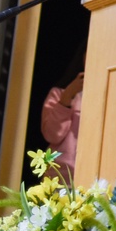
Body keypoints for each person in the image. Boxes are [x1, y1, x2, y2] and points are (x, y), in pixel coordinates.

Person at [40, 46, 85, 187]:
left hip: (96, 179)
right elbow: (52, 135)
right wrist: (67, 96)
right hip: (59, 179)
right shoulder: (59, 93)